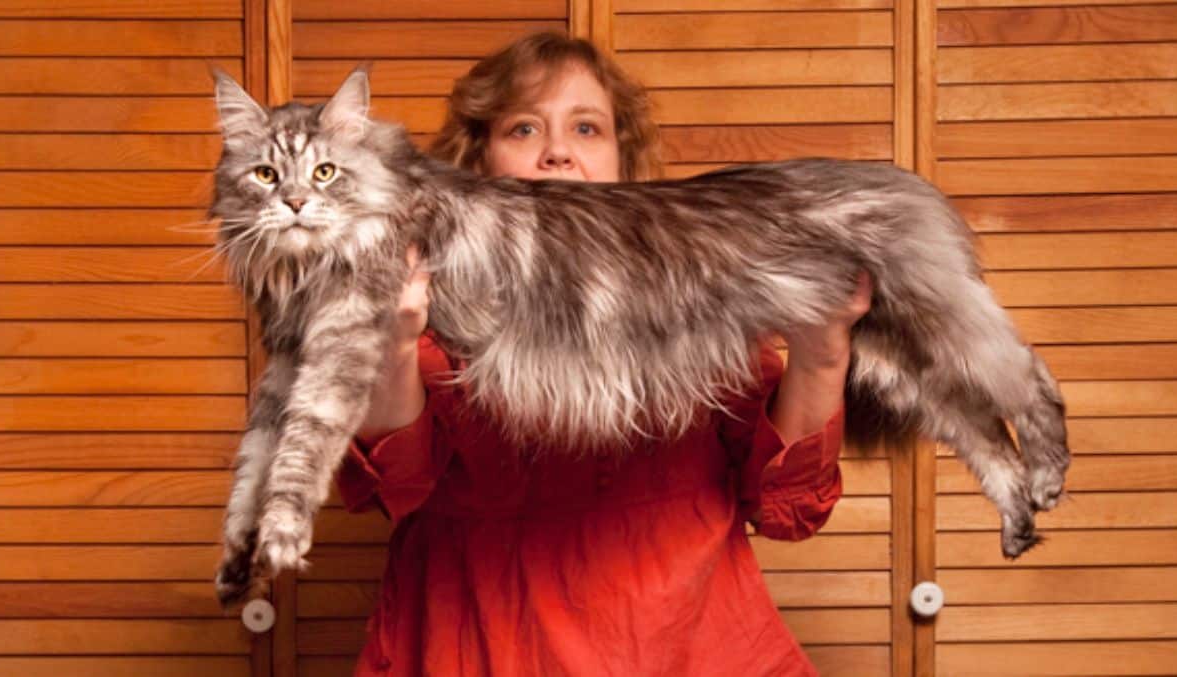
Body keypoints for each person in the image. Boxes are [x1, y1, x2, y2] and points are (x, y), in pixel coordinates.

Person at [337, 31, 872, 676]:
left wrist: (820, 350)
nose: (558, 152)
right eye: (525, 129)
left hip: (688, 647)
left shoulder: (700, 286)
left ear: (623, 161)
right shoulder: (426, 296)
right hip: (480, 644)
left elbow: (789, 509)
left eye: (587, 129)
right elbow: (395, 488)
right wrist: (392, 341)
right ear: (477, 165)